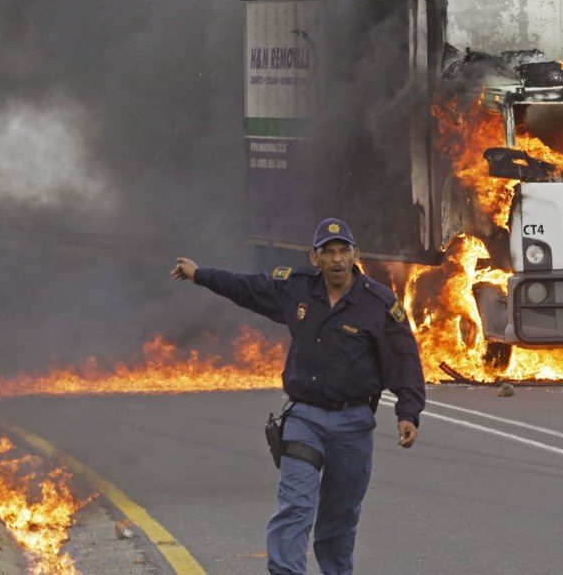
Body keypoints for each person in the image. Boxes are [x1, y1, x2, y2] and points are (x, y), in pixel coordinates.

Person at [171, 217, 425, 575]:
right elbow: (247, 287)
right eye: (328, 252)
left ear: (356, 254)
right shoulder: (296, 289)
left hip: (353, 423)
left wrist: (408, 413)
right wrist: (200, 274)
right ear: (314, 258)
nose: (337, 259)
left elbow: (404, 359)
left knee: (338, 521)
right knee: (295, 507)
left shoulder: (378, 303)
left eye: (343, 251)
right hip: (304, 418)